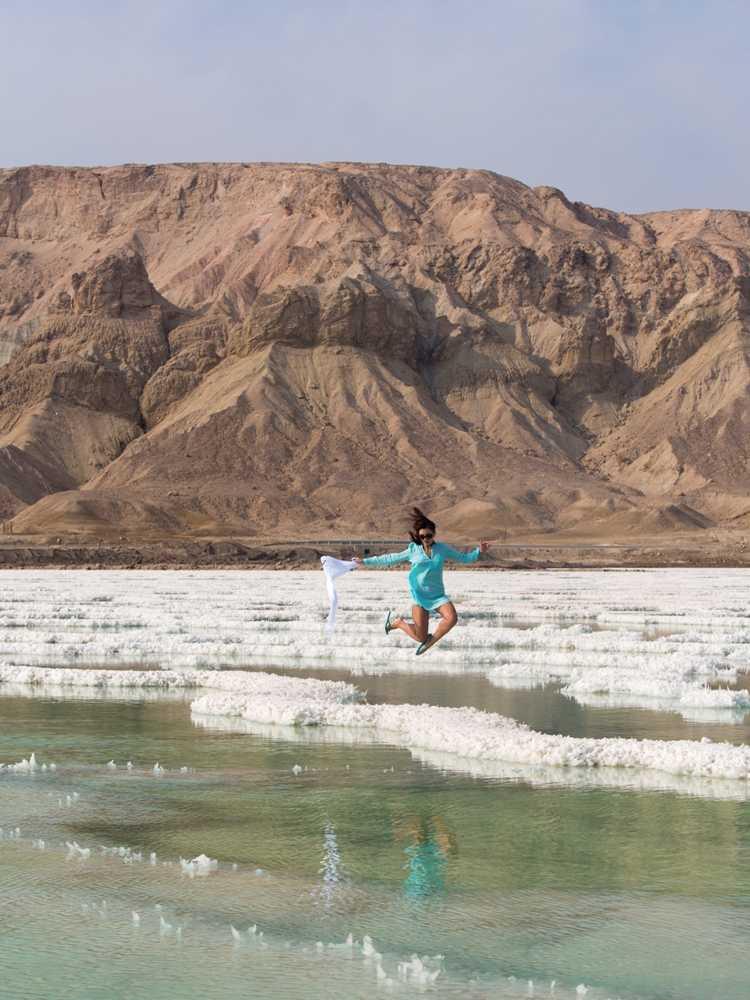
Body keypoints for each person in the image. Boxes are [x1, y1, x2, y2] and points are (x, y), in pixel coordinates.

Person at [353, 507, 489, 655]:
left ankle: (431, 642)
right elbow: (390, 558)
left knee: (452, 618)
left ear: (434, 534)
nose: (426, 539)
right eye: (422, 536)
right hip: (418, 595)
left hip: (437, 595)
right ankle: (399, 623)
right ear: (419, 536)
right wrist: (365, 562)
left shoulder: (442, 549)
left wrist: (479, 551)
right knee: (420, 636)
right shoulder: (413, 550)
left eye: (429, 535)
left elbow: (464, 558)